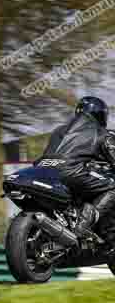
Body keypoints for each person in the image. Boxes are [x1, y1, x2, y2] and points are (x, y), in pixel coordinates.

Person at [37, 96, 115, 240]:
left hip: (44, 170)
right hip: (71, 172)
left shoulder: (59, 130)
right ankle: (84, 223)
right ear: (100, 114)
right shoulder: (100, 132)